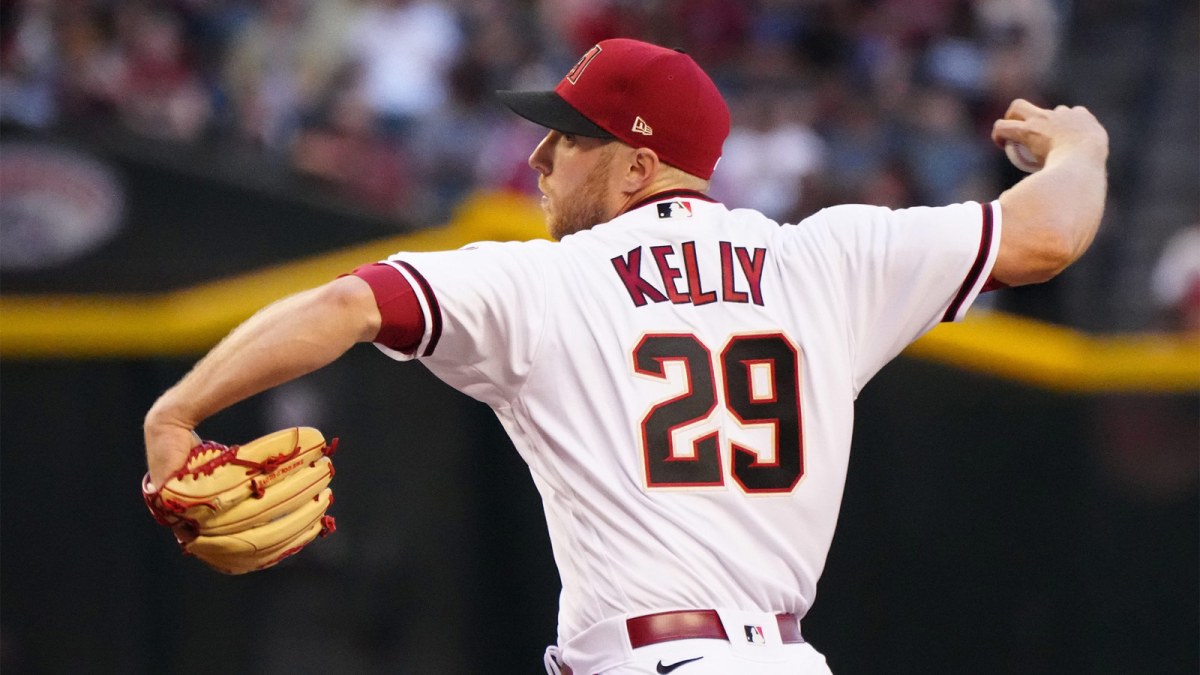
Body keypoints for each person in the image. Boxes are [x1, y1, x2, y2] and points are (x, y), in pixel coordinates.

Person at [144, 38, 1108, 674]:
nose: (537, 160)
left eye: (568, 140)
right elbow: (1047, 235)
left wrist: (176, 412)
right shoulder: (826, 260)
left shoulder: (544, 282)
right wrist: (1082, 149)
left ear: (638, 166)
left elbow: (348, 303)